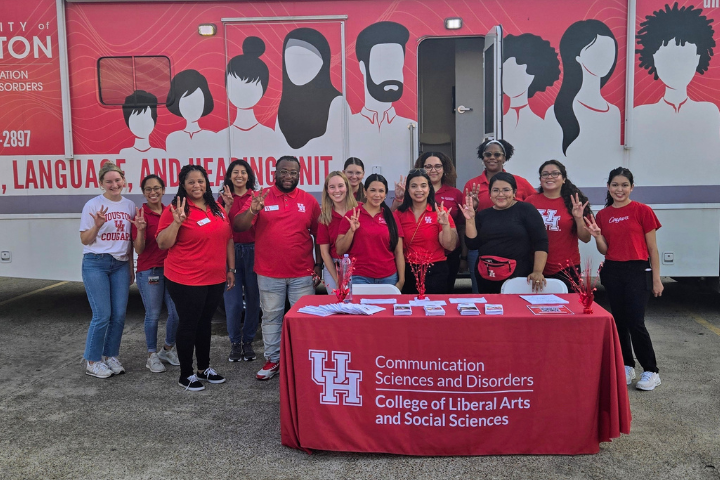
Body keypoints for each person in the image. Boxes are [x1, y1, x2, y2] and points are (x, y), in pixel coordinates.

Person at [233, 156, 321, 381]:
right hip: (269, 272)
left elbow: (319, 236)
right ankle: (273, 360)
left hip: (302, 272)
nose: (288, 176)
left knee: (303, 318)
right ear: (275, 172)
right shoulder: (259, 196)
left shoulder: (309, 201)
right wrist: (252, 210)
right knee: (272, 318)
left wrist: (318, 264)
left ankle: (302, 361)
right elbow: (238, 226)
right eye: (283, 171)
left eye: (293, 172)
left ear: (300, 174)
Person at [157, 165, 234, 392]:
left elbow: (225, 235)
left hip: (214, 277)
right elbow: (163, 243)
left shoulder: (216, 206)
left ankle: (203, 368)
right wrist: (177, 222)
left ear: (206, 182)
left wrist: (231, 268)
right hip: (186, 279)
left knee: (204, 323)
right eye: (191, 182)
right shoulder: (175, 208)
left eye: (200, 181)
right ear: (183, 185)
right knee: (189, 324)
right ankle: (185, 374)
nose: (196, 185)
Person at [585, 167, 663, 391]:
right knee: (618, 320)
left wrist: (656, 279)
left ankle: (651, 370)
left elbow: (653, 249)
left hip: (638, 270)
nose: (620, 189)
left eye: (624, 185)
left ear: (632, 187)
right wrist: (598, 236)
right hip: (613, 270)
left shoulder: (642, 211)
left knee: (635, 321)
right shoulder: (603, 215)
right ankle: (627, 365)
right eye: (615, 185)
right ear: (608, 187)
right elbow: (604, 250)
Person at [633, 3, 720, 185]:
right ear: (653, 58)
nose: (676, 67)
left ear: (698, 59)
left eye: (685, 58)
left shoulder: (709, 113)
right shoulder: (640, 114)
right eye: (667, 58)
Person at [544, 19, 621, 186]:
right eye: (598, 52)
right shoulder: (557, 112)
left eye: (610, 51)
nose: (606, 58)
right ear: (577, 56)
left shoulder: (614, 112)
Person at [79, 162, 137, 378]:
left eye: (117, 180)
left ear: (124, 180)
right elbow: (85, 239)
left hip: (120, 264)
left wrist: (131, 267)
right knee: (102, 314)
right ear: (101, 184)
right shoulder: (93, 205)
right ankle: (93, 361)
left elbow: (129, 241)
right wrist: (97, 226)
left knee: (119, 315)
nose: (114, 185)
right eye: (109, 181)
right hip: (96, 263)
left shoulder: (130, 206)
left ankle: (110, 355)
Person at [463, 139, 536, 293]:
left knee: (514, 296)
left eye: (497, 154)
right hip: (481, 247)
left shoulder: (519, 182)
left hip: (514, 249)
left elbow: (537, 205)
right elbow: (467, 219)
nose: (492, 157)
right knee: (481, 295)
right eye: (488, 154)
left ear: (505, 157)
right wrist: (474, 208)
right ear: (482, 157)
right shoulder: (472, 185)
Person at [349, 21, 416, 184]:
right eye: (383, 65)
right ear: (363, 68)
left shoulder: (412, 127)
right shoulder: (347, 126)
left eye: (396, 65)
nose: (392, 75)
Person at [463, 172, 548, 294]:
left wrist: (538, 271)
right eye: (496, 190)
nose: (500, 194)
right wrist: (470, 219)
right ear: (490, 194)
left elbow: (541, 241)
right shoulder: (483, 215)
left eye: (506, 190)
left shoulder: (526, 210)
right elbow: (472, 244)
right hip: (486, 276)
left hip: (518, 277)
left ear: (514, 192)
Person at [132, 174, 180, 373]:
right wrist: (141, 230)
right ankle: (151, 355)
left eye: (157, 188)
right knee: (152, 314)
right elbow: (139, 250)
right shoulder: (140, 215)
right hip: (150, 270)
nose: (153, 192)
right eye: (148, 189)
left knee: (176, 313)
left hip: (172, 269)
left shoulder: (171, 211)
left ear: (163, 189)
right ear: (143, 192)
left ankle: (167, 349)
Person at [218, 160, 261, 363]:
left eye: (244, 172)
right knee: (233, 303)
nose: (239, 176)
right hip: (230, 252)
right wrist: (226, 205)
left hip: (254, 251)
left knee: (253, 301)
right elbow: (218, 225)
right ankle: (235, 342)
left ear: (249, 176)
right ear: (229, 176)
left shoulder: (256, 197)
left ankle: (248, 342)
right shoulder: (220, 198)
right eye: (235, 172)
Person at [526, 160, 592, 290]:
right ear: (540, 180)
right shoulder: (530, 201)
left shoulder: (575, 203)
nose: (549, 177)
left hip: (567, 267)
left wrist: (579, 218)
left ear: (564, 179)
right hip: (535, 267)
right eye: (545, 174)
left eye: (555, 173)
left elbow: (586, 238)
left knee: (568, 308)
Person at [501, 33, 561, 178]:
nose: (511, 80)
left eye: (518, 73)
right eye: (506, 73)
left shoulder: (544, 125)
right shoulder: (495, 126)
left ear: (534, 75)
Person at [276, 28, 344, 152]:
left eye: (305, 60)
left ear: (323, 63)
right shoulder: (284, 101)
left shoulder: (337, 102)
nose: (297, 67)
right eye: (291, 60)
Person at [393, 169, 457, 295]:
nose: (419, 190)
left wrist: (445, 225)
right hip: (407, 269)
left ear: (429, 188)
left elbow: (450, 246)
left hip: (435, 270)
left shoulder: (440, 212)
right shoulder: (399, 213)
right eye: (413, 186)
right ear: (408, 190)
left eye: (423, 186)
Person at [336, 174, 404, 289]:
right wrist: (351, 231)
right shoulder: (352, 215)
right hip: (359, 277)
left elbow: (399, 252)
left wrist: (401, 280)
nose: (377, 195)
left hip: (388, 277)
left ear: (386, 194)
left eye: (381, 191)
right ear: (365, 192)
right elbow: (339, 249)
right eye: (372, 190)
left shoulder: (391, 217)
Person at [216, 36, 278, 159]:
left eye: (250, 84)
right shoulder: (219, 136)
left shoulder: (271, 135)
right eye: (235, 84)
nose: (242, 91)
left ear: (263, 90)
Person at [416, 152, 464, 292]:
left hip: (450, 254)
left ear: (444, 169)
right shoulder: (415, 193)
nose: (433, 170)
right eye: (428, 166)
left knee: (445, 295)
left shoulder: (455, 193)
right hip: (422, 255)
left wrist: (465, 257)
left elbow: (461, 226)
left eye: (438, 166)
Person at [318, 171, 358, 293]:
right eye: (332, 187)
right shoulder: (325, 217)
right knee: (337, 307)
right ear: (327, 191)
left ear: (347, 187)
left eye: (340, 186)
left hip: (358, 267)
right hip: (334, 268)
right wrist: (337, 279)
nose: (337, 190)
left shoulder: (358, 211)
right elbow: (324, 253)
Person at [165, 69, 217, 159]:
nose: (193, 107)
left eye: (197, 101)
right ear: (178, 104)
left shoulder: (212, 137)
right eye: (187, 102)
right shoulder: (172, 138)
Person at [118, 90, 166, 159]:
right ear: (127, 121)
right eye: (135, 120)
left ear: (154, 119)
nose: (141, 124)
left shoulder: (161, 153)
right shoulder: (123, 153)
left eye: (147, 118)